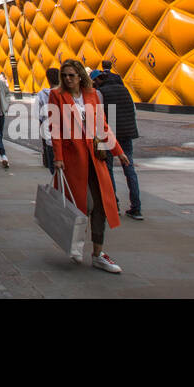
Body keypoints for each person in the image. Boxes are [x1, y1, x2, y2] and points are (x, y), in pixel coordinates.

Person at [49, 58, 129, 274]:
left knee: (102, 206)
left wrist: (119, 152)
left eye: (71, 75)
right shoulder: (56, 95)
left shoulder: (92, 95)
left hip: (96, 158)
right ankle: (75, 244)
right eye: (64, 75)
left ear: (79, 76)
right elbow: (55, 128)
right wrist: (58, 158)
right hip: (73, 160)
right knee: (84, 204)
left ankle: (98, 254)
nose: (67, 78)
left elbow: (102, 126)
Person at [93, 64, 142, 220]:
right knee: (130, 168)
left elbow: (99, 116)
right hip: (127, 133)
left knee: (107, 170)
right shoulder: (124, 89)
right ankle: (137, 208)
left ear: (98, 80)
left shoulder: (101, 92)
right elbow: (133, 112)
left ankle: (114, 205)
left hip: (109, 134)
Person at [35, 67, 60, 174]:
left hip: (49, 133)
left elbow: (38, 115)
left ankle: (57, 185)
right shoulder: (66, 93)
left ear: (48, 79)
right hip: (66, 136)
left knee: (53, 167)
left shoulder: (41, 94)